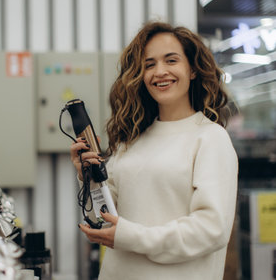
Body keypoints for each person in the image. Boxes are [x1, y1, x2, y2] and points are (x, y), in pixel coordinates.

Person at [70, 21, 238, 280]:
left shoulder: (210, 138)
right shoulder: (132, 140)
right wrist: (89, 176)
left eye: (171, 61)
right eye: (149, 64)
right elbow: (105, 217)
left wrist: (130, 236)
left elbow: (211, 230)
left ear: (192, 69)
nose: (160, 72)